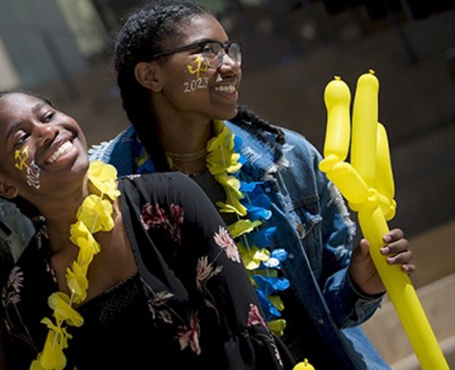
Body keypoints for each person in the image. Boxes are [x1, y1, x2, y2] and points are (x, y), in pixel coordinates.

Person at [88, 1, 415, 369]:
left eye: (230, 49)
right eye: (206, 51)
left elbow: (329, 309)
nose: (229, 65)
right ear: (151, 76)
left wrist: (361, 283)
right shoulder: (106, 188)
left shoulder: (286, 157)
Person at [0, 90, 294, 370]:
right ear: (5, 187)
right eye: (22, 137)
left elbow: (245, 330)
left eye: (47, 116)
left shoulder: (170, 201)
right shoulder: (26, 291)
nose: (48, 132)